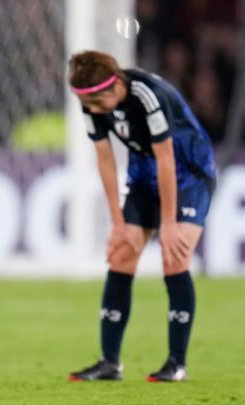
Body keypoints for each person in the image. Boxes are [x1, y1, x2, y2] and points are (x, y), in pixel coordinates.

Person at [66, 51, 217, 383]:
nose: (92, 109)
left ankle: (176, 363)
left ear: (117, 84)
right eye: (86, 103)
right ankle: (109, 362)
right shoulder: (91, 100)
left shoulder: (148, 95)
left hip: (188, 172)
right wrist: (117, 224)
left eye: (96, 101)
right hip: (144, 174)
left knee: (174, 256)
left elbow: (167, 160)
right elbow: (104, 158)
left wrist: (170, 225)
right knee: (122, 253)